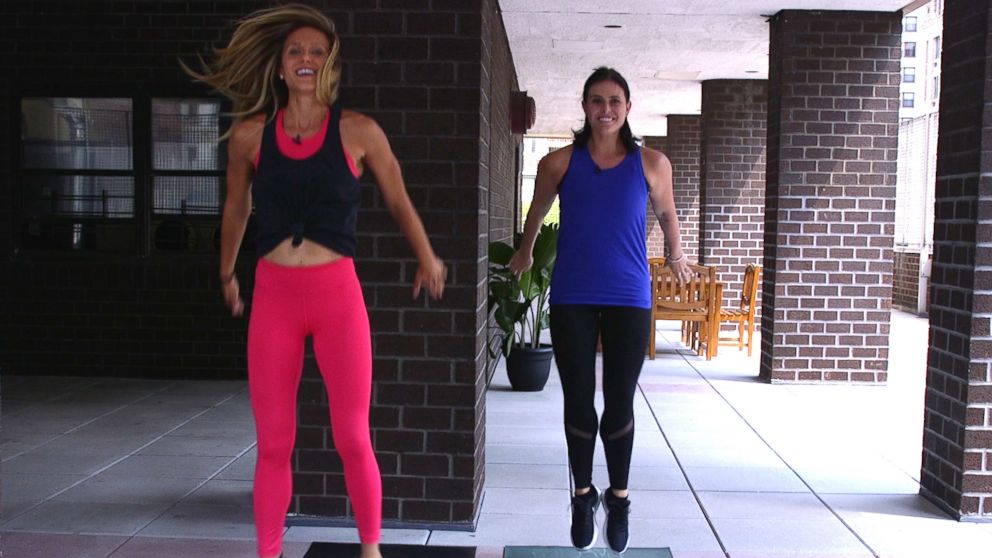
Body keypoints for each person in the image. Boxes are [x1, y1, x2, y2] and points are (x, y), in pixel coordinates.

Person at [184, 5, 447, 558]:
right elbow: (236, 208)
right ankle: (269, 552)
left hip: (336, 296)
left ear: (330, 67)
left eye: (317, 52)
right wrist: (227, 271)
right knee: (275, 441)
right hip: (274, 295)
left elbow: (398, 198)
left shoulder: (358, 131)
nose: (306, 60)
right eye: (296, 52)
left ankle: (370, 550)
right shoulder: (250, 136)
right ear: (280, 67)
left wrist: (427, 256)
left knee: (353, 436)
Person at [509, 67, 692, 553]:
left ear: (628, 108)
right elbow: (536, 208)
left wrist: (676, 255)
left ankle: (620, 497)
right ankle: (583, 495)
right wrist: (526, 250)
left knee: (619, 402)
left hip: (630, 296)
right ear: (585, 106)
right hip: (573, 294)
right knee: (576, 401)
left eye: (614, 101)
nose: (605, 109)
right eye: (596, 100)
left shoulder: (651, 163)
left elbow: (667, 212)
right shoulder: (559, 162)